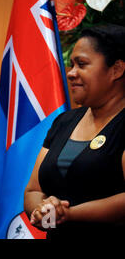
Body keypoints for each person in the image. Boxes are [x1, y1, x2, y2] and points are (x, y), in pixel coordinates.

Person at [24, 24, 125, 239]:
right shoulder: (64, 121)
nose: (71, 73)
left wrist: (67, 214)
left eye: (81, 64)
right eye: (71, 65)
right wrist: (45, 212)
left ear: (116, 70)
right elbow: (33, 190)